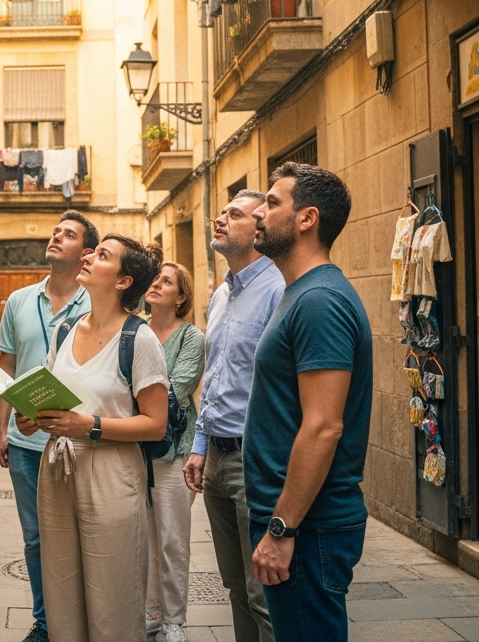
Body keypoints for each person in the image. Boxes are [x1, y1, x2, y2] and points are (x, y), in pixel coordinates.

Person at [15, 235, 169, 642]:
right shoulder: (66, 328)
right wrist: (31, 417)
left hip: (112, 473)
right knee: (62, 596)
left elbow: (155, 424)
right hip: (57, 469)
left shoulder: (140, 338)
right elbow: (50, 391)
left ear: (123, 281)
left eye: (102, 255)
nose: (88, 256)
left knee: (112, 599)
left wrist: (90, 425)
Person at [244, 163, 373, 642]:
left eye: (273, 202)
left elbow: (323, 426)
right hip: (296, 521)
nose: (259, 211)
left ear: (307, 218)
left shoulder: (319, 300)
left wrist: (282, 529)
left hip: (308, 528)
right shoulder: (299, 293)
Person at [0, 210, 99, 642]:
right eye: (56, 231)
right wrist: (1, 431)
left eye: (68, 234)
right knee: (36, 539)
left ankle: (84, 621)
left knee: (82, 534)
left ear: (86, 253)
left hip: (76, 442)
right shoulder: (18, 300)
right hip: (23, 443)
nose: (56, 237)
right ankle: (44, 622)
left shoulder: (96, 301)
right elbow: (6, 366)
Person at [182, 190, 282, 642]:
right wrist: (201, 446)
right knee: (234, 587)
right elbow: (218, 378)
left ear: (259, 229)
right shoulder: (222, 293)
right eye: (222, 212)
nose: (219, 219)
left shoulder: (279, 290)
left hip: (255, 461)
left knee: (264, 593)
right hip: (217, 460)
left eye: (234, 215)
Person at [143, 262, 205, 642]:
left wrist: (138, 395)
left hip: (175, 452)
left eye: (166, 281)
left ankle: (174, 620)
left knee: (171, 539)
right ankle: (150, 612)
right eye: (155, 279)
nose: (156, 284)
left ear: (180, 297)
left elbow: (175, 391)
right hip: (133, 450)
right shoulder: (133, 329)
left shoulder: (191, 338)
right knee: (140, 537)